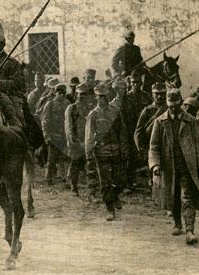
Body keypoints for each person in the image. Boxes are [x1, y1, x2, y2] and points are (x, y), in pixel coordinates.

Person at [149, 88, 199, 245]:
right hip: (169, 166)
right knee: (173, 196)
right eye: (170, 106)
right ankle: (177, 223)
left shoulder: (191, 121)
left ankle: (190, 230)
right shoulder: (160, 122)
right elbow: (154, 146)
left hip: (186, 166)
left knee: (187, 197)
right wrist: (155, 164)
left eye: (176, 105)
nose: (173, 109)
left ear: (181, 103)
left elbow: (197, 145)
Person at [85, 83, 130, 221]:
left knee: (119, 180)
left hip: (116, 151)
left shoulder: (115, 111)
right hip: (101, 152)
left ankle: (115, 196)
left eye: (104, 96)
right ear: (96, 97)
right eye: (99, 97)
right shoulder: (93, 115)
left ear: (108, 96)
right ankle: (109, 208)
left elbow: (123, 132)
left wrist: (124, 149)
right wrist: (89, 154)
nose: (102, 99)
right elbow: (89, 135)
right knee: (105, 182)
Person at [134, 82, 168, 199]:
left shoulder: (170, 109)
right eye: (157, 94)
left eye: (162, 94)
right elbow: (138, 131)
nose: (160, 96)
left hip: (167, 144)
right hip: (151, 145)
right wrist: (141, 147)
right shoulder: (147, 111)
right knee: (154, 171)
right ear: (152, 95)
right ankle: (154, 190)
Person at [65, 83, 93, 195]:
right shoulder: (71, 109)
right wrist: (76, 142)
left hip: (87, 141)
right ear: (76, 94)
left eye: (85, 94)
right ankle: (74, 186)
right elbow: (69, 127)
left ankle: (90, 189)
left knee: (89, 165)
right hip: (75, 142)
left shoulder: (90, 108)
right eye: (80, 94)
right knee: (75, 164)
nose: (82, 96)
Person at [41, 83, 69, 185]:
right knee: (51, 158)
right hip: (53, 135)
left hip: (64, 135)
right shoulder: (50, 104)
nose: (61, 95)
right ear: (55, 93)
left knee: (63, 157)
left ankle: (64, 176)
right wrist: (46, 135)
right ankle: (48, 177)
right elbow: (44, 120)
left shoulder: (67, 104)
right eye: (59, 93)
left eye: (63, 93)